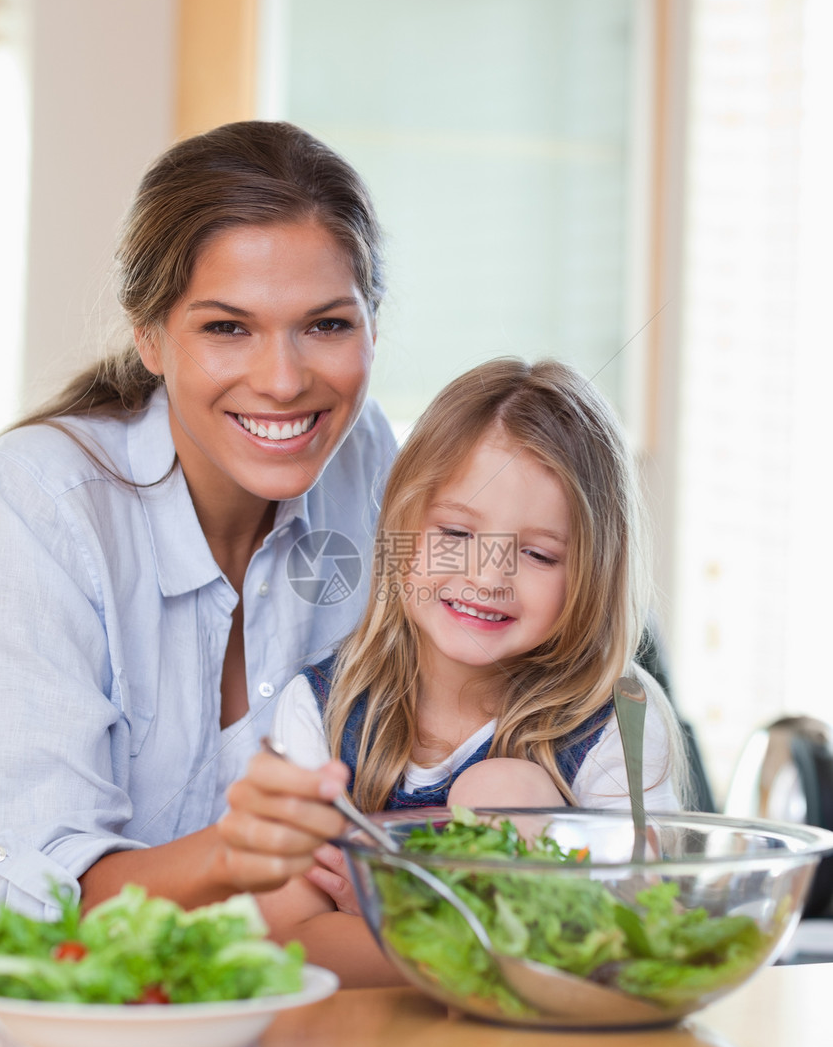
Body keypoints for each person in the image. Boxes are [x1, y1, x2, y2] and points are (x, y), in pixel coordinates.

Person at [0, 120, 398, 920]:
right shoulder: (41, 499)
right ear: (150, 337)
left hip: (305, 1012)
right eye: (227, 327)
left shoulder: (369, 459)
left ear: (374, 326)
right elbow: (36, 895)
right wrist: (239, 856)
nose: (284, 379)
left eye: (327, 324)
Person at [258, 357, 688, 985]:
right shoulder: (321, 710)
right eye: (457, 533)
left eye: (539, 554)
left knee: (500, 793)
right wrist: (486, 948)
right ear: (403, 527)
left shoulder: (613, 722)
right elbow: (293, 938)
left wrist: (404, 912)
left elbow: (636, 937)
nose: (488, 576)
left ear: (593, 573)